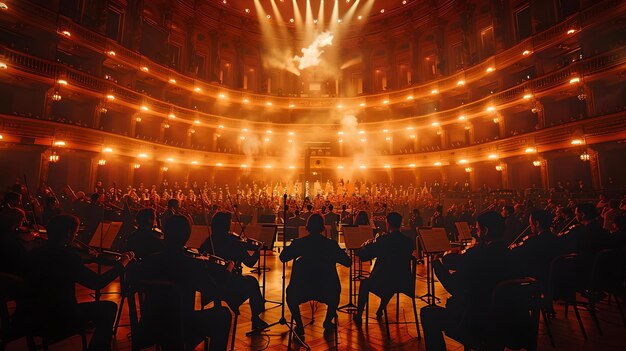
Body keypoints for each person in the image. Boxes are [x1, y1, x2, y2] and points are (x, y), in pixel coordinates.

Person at [23, 214, 133, 351]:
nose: (76, 236)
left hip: (31, 316)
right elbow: (97, 282)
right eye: (75, 232)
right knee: (109, 307)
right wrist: (122, 264)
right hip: (60, 318)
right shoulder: (67, 258)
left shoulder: (33, 253)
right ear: (69, 233)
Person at [137, 214, 232, 350]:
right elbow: (216, 291)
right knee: (223, 315)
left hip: (150, 325)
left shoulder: (149, 261)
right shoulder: (192, 264)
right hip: (181, 327)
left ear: (165, 232)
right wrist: (228, 270)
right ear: (187, 236)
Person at [421, 211, 511, 350]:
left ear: (485, 231)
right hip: (509, 322)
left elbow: (454, 286)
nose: (476, 231)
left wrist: (437, 265)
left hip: (477, 322)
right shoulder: (512, 254)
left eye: (478, 229)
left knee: (429, 314)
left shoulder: (477, 255)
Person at [279, 214, 351, 339]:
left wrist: (291, 247)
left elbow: (283, 257)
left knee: (290, 295)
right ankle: (327, 321)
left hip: (302, 290)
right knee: (335, 293)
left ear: (307, 227)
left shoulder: (299, 243)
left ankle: (299, 324)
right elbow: (348, 262)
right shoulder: (331, 245)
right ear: (323, 228)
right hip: (326, 290)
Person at [200, 212, 268, 330]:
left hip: (210, 284)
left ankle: (217, 308)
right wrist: (259, 250)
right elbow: (250, 263)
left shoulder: (209, 241)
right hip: (229, 283)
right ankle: (255, 317)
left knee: (226, 279)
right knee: (252, 282)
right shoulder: (232, 242)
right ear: (227, 225)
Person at [353, 212, 414, 326]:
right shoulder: (408, 242)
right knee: (391, 283)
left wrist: (365, 247)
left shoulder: (384, 240)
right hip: (404, 282)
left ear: (388, 223)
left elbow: (365, 256)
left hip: (385, 282)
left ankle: (359, 315)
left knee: (365, 284)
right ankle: (380, 310)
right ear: (400, 224)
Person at [510, 210, 558, 290]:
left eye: (530, 224)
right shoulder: (557, 239)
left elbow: (514, 254)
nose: (530, 226)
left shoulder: (533, 242)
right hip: (554, 280)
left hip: (536, 280)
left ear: (537, 223)